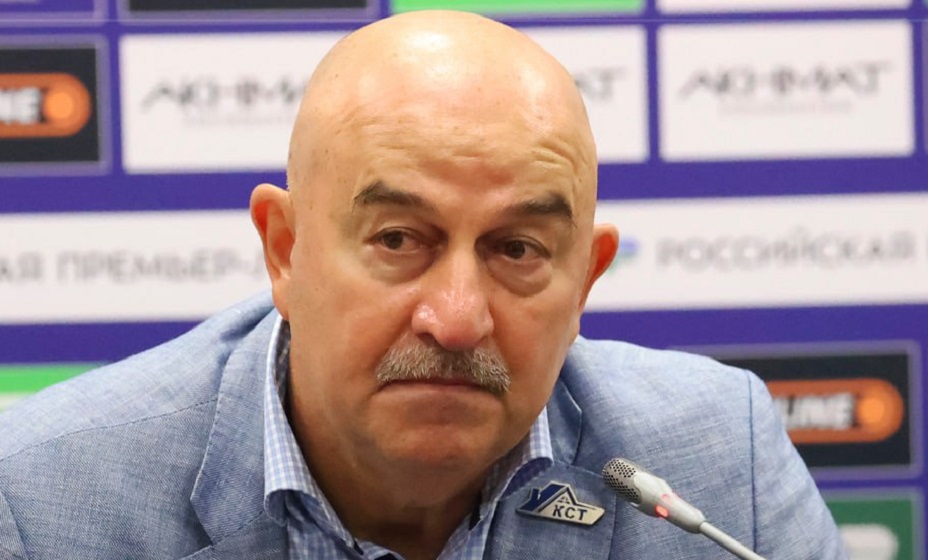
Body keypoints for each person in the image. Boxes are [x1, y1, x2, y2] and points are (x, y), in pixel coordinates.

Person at [0, 10, 844, 560]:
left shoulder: (717, 463)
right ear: (285, 252)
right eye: (399, 240)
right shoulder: (43, 502)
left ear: (585, 280)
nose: (457, 318)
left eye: (517, 249)